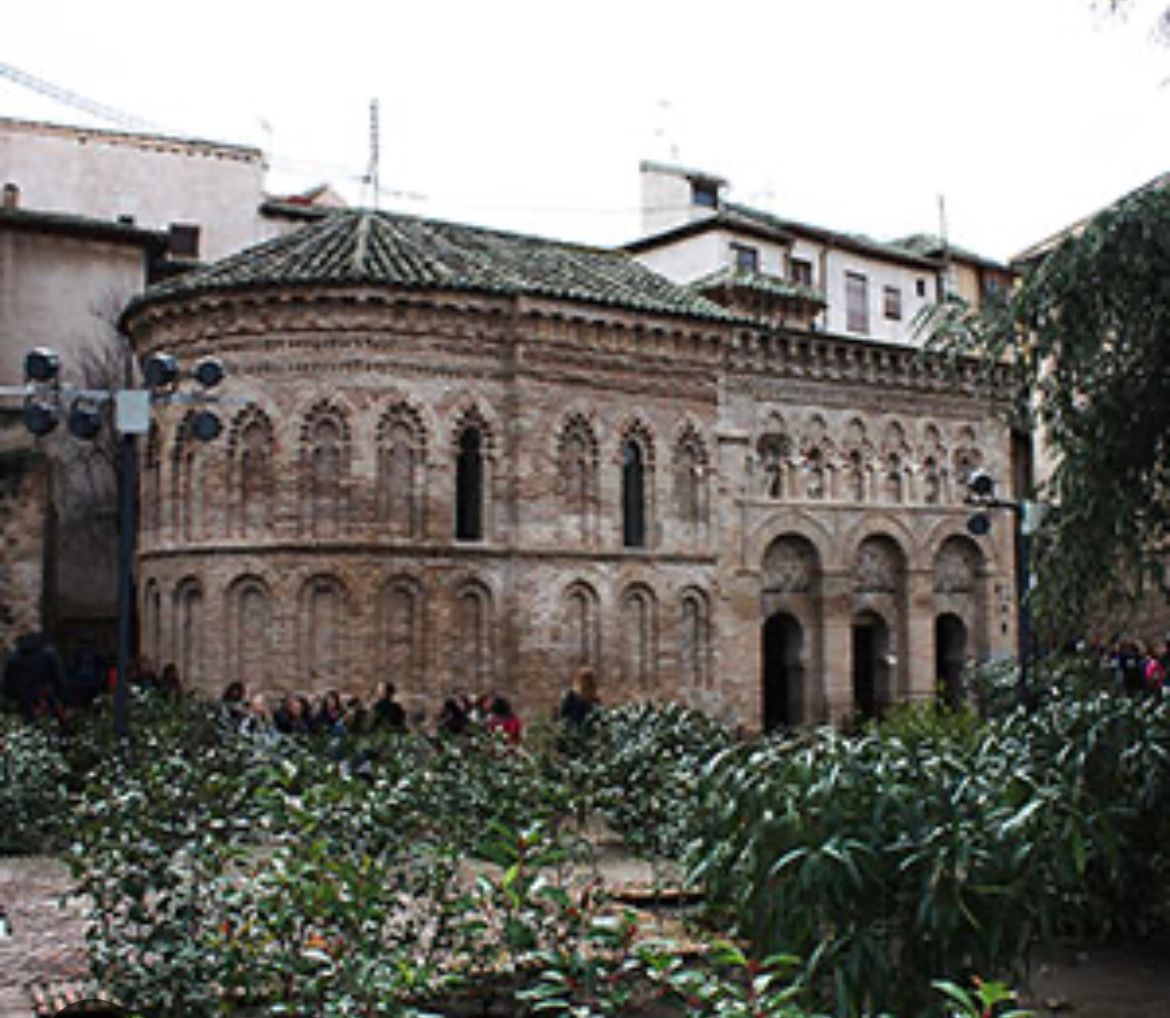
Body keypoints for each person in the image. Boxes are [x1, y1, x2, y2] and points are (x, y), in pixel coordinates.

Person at [2, 631, 65, 722]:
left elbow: (7, 684)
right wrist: (65, 700)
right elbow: (59, 680)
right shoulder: (49, 654)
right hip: (45, 698)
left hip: (22, 700)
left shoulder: (13, 657)